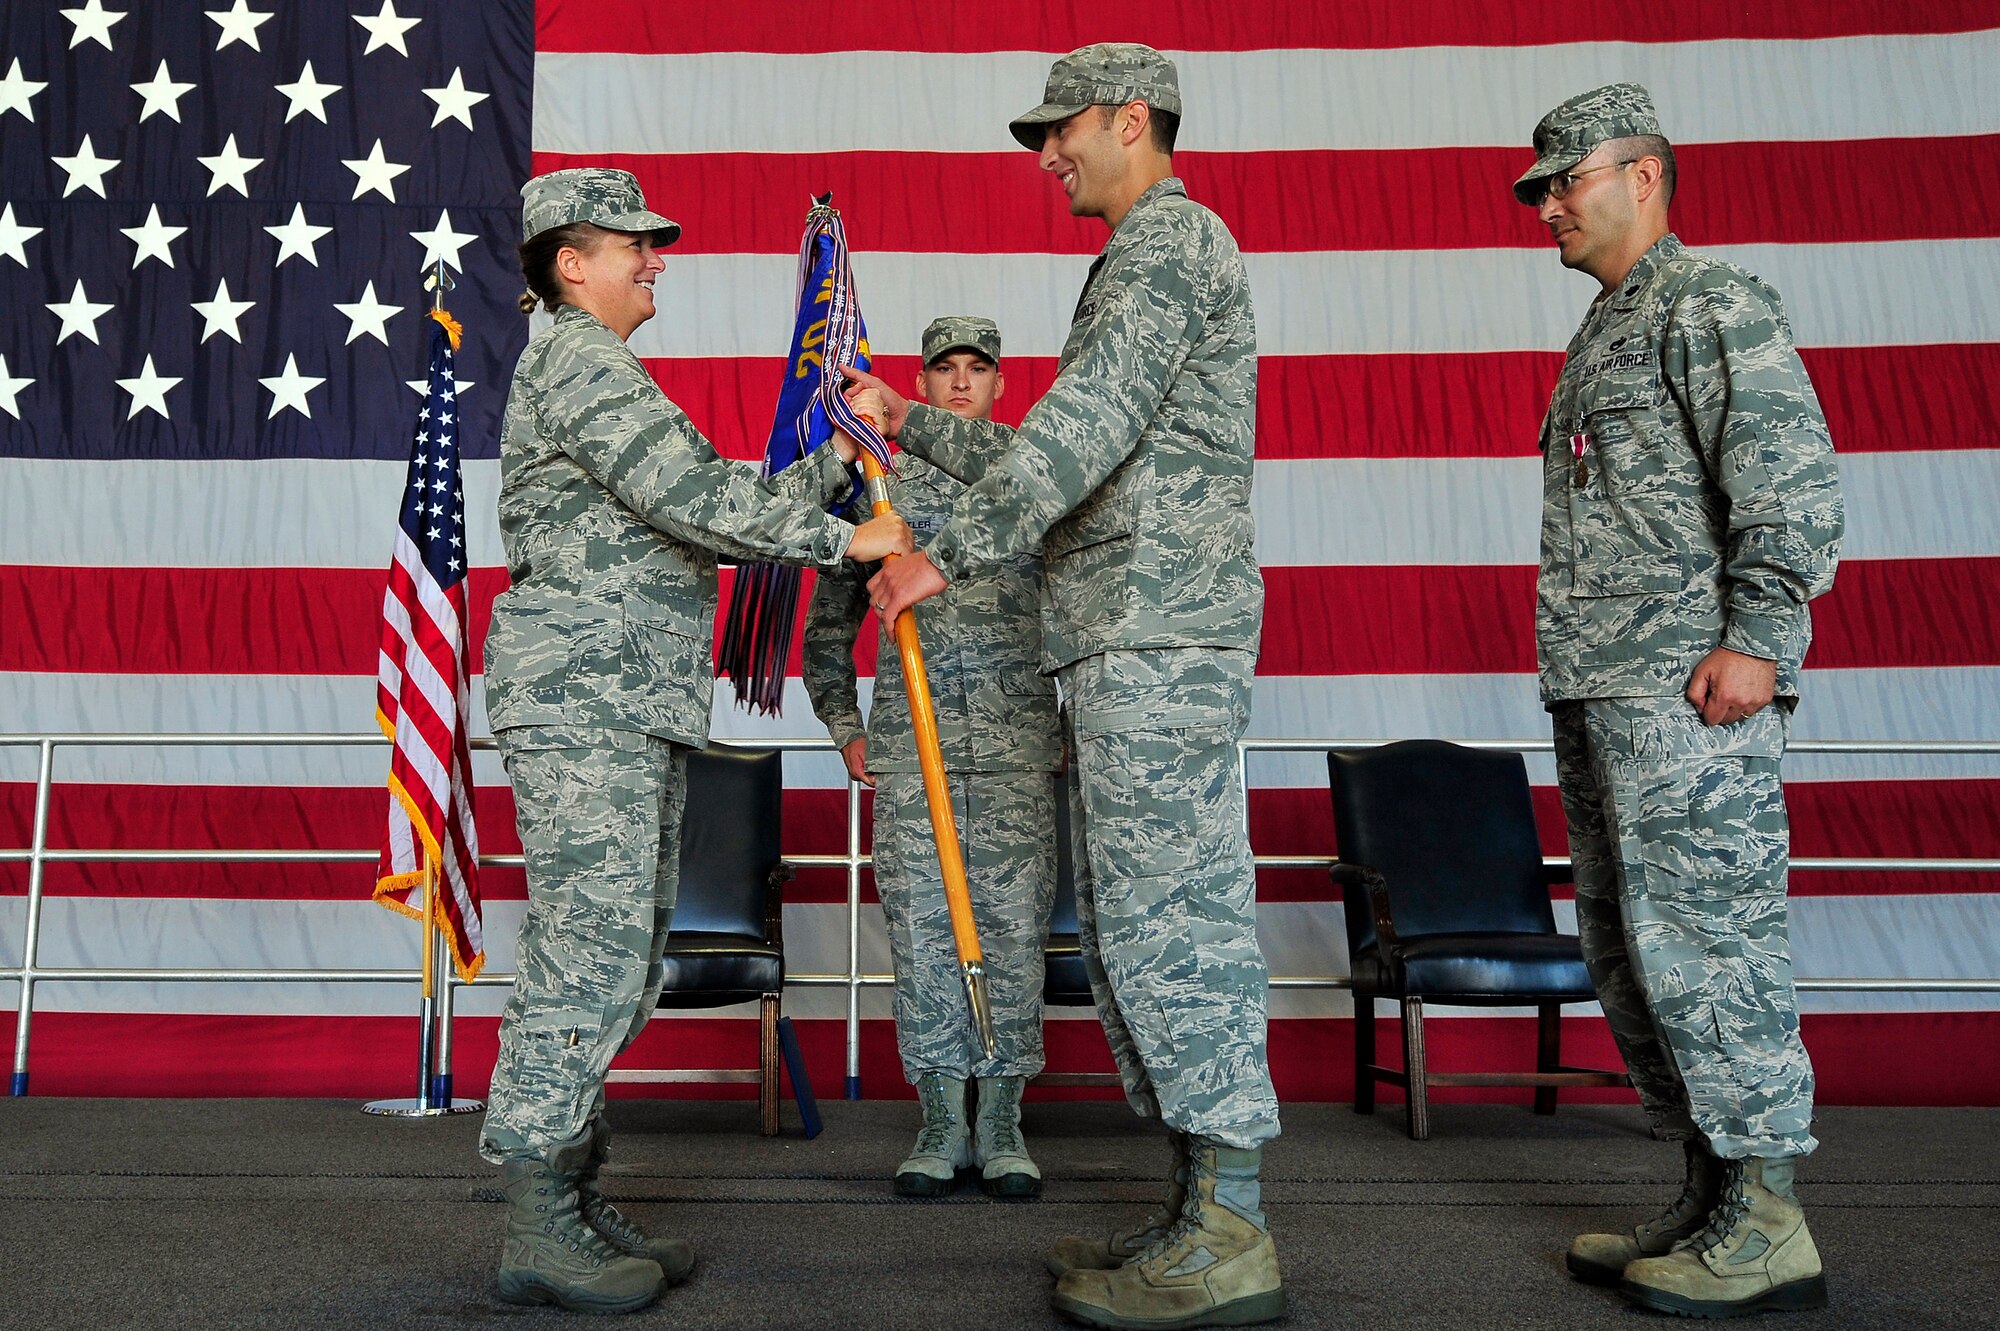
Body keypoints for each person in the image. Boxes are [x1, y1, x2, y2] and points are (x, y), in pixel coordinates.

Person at [849, 44, 1283, 1331]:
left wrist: (948, 551)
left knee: (1175, 925)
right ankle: (1196, 1200)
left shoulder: (1165, 242)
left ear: (1128, 119)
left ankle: (1231, 1222)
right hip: (1118, 635)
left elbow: (1082, 429)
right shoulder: (1146, 249)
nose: (1047, 156)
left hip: (1154, 632)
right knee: (1132, 925)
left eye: (1061, 131)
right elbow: (1069, 432)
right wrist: (905, 416)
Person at [477, 167, 910, 1314]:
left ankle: (572, 1191)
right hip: (586, 698)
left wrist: (830, 466)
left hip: (624, 697)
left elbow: (708, 492)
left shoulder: (597, 366)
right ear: (571, 264)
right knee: (587, 950)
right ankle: (538, 1221)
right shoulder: (578, 359)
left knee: (619, 952)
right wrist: (849, 537)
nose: (653, 259)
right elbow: (697, 500)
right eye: (632, 245)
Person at [1512, 85, 1844, 1318]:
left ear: (1643, 174)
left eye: (1565, 180)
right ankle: (1711, 1190)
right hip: (1607, 690)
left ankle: (1766, 1217)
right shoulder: (1607, 326)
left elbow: (1790, 480)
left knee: (1712, 947)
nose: (1547, 205)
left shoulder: (1708, 302)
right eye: (1538, 187)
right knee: (1633, 952)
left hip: (1688, 692)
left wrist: (1758, 635)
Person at [802, 317, 1062, 1199]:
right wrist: (845, 727)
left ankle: (1002, 1118)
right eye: (942, 369)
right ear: (923, 374)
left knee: (1013, 936)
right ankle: (940, 1115)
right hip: (915, 754)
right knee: (922, 940)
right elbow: (826, 630)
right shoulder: (879, 485)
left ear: (999, 384)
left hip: (1015, 750)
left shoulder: (1028, 473)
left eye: (975, 370)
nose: (959, 383)